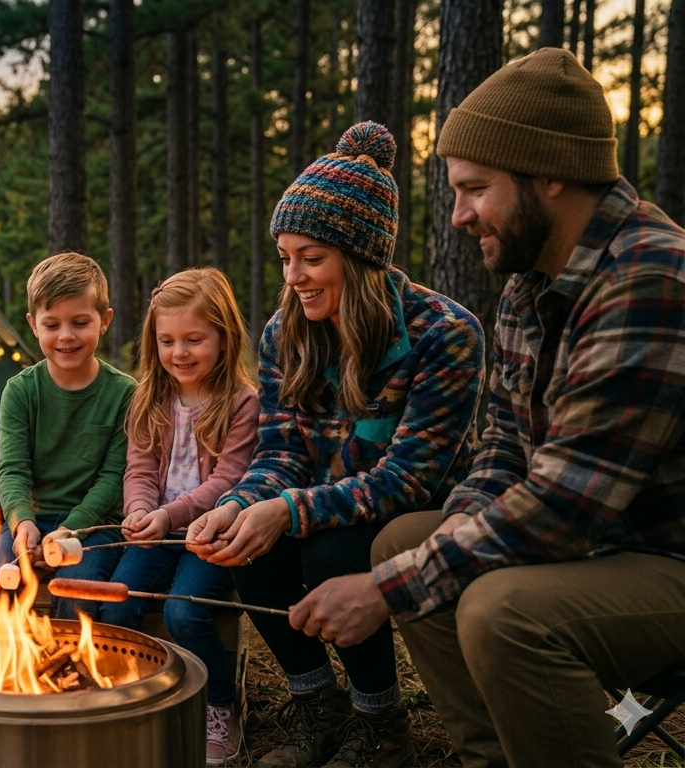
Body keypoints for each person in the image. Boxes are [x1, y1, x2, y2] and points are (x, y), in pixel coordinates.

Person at [293, 49, 685, 768]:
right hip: (598, 541)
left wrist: (387, 591)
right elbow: (503, 450)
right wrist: (425, 551)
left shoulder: (651, 277)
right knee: (402, 540)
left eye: (475, 189)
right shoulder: (528, 285)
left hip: (661, 556)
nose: (459, 215)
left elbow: (566, 503)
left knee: (500, 611)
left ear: (550, 175)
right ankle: (491, 757)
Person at [187, 122, 486, 767]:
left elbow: (407, 478)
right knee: (251, 549)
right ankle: (316, 702)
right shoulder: (283, 334)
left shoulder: (446, 333)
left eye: (311, 258)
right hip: (321, 496)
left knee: (331, 552)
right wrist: (242, 504)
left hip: (417, 510)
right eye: (285, 258)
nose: (293, 276)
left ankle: (381, 723)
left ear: (361, 256)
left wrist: (288, 510)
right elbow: (280, 455)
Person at [97, 267, 259, 765]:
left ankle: (218, 706)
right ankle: (140, 696)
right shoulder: (151, 397)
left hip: (213, 532)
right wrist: (141, 510)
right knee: (119, 606)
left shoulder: (241, 403)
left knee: (183, 612)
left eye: (194, 339)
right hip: (159, 530)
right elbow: (139, 469)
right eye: (167, 341)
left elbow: (227, 479)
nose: (180, 353)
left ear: (224, 337)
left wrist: (169, 515)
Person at [0, 252, 135, 619]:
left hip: (96, 526)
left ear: (104, 321)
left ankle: (73, 672)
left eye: (80, 322)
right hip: (35, 520)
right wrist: (23, 522)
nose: (66, 336)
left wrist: (71, 529)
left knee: (75, 593)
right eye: (52, 325)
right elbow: (11, 469)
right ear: (34, 325)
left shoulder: (125, 394)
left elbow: (113, 477)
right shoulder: (20, 392)